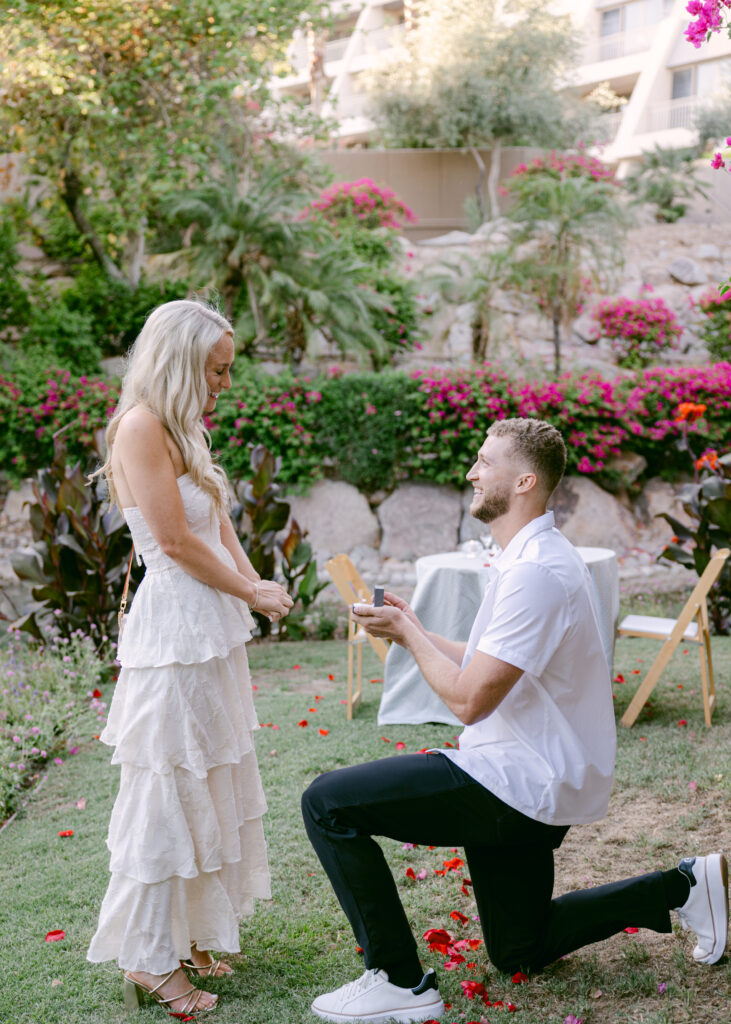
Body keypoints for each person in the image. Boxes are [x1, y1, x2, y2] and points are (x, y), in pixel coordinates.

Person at [302, 417, 728, 1024]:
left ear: (524, 479)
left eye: (484, 462)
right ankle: (682, 887)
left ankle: (397, 981)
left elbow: (469, 701)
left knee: (327, 803)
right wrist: (416, 632)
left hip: (520, 776)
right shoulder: (530, 556)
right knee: (519, 950)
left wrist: (404, 634)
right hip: (532, 773)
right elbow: (489, 666)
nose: (471, 472)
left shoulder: (535, 572)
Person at [87, 300, 293, 1016]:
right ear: (178, 361)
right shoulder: (140, 428)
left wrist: (255, 587)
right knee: (165, 790)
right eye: (215, 369)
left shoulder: (184, 428)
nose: (224, 383)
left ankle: (192, 939)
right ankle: (148, 958)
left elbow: (218, 520)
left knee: (210, 778)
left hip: (211, 629)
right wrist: (247, 590)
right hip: (173, 634)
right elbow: (173, 543)